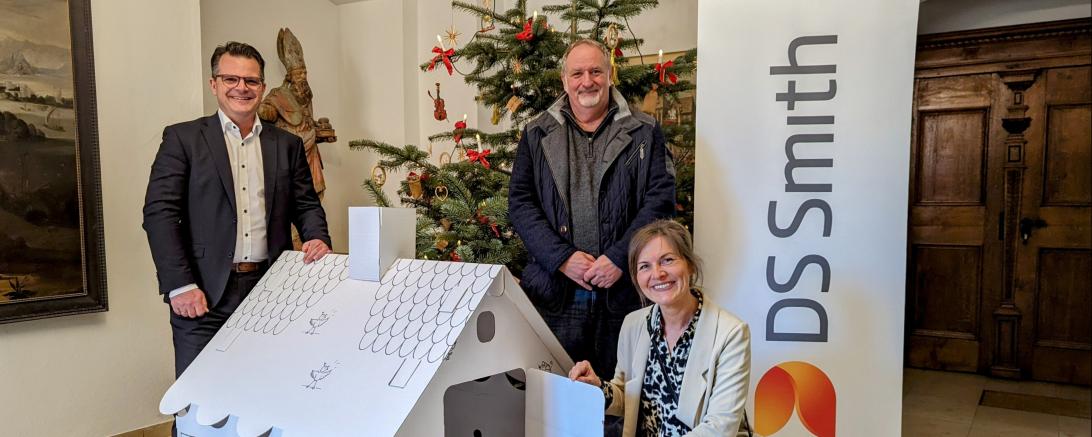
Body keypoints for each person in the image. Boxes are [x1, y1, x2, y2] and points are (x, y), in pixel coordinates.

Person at [143, 41, 331, 378]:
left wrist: (317, 237)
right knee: (199, 401)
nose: (241, 88)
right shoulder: (182, 139)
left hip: (271, 289)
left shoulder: (285, 144)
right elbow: (160, 214)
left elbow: (305, 203)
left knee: (264, 388)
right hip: (203, 293)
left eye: (251, 81)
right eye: (231, 79)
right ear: (214, 84)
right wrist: (179, 285)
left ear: (261, 87)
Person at [508, 39, 676, 379]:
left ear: (610, 74)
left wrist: (619, 257)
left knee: (622, 396)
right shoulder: (536, 133)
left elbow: (660, 200)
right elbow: (521, 203)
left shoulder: (644, 131)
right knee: (556, 399)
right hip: (557, 296)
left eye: (596, 71)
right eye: (578, 73)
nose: (588, 81)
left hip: (625, 294)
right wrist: (562, 258)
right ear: (564, 81)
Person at [569, 220, 751, 437]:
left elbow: (720, 427)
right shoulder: (633, 324)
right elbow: (628, 397)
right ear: (637, 277)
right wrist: (597, 388)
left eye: (668, 260)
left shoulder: (731, 333)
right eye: (644, 266)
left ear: (690, 265)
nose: (657, 274)